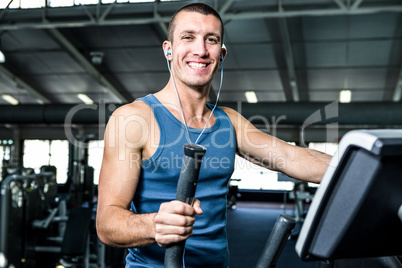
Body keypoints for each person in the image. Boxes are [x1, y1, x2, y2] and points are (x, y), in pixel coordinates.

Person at [96, 3, 331, 268]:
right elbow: (107, 224)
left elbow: (291, 156)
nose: (201, 50)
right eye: (188, 37)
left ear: (221, 54)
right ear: (168, 49)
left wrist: (363, 169)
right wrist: (154, 224)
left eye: (211, 40)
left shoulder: (228, 121)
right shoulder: (134, 118)